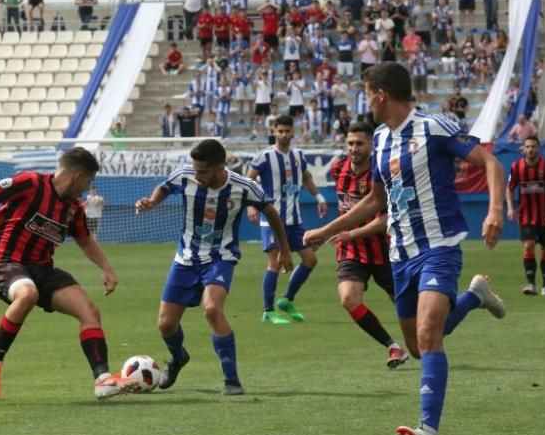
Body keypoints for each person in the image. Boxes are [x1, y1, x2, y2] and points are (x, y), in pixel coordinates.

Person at [304, 62, 507, 435]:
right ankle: (475, 297)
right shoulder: (380, 139)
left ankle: (428, 429)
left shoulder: (433, 127)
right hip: (400, 255)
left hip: (439, 246)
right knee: (418, 346)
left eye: (367, 94)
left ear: (380, 94)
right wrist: (328, 230)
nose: (367, 102)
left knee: (431, 335)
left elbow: (491, 164)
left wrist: (495, 210)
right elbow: (376, 201)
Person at [0, 147, 127, 400]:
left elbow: (85, 240)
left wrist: (106, 268)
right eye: (88, 181)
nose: (87, 187)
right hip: (6, 262)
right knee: (27, 294)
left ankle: (102, 379)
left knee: (90, 311)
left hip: (42, 269)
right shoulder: (30, 183)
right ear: (77, 176)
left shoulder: (73, 208)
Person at [135, 139, 293, 395]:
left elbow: (271, 212)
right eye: (195, 169)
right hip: (185, 259)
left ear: (220, 167)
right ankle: (178, 357)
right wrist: (152, 202)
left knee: (212, 309)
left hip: (221, 257)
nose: (197, 175)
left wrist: (284, 250)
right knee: (165, 325)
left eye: (203, 171)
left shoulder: (244, 186)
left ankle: (231, 380)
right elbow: (163, 188)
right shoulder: (185, 176)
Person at [324, 122, 408, 367]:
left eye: (359, 143)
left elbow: (387, 218)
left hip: (385, 250)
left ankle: (472, 299)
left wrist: (353, 233)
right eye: (350, 143)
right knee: (349, 299)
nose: (354, 148)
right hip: (350, 250)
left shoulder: (382, 173)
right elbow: (345, 209)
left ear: (372, 145)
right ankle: (393, 347)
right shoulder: (338, 168)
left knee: (411, 310)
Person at [245, 115, 327, 325]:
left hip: (294, 220)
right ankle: (268, 311)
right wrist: (252, 205)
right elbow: (248, 181)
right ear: (273, 131)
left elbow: (306, 177)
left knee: (310, 259)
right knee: (274, 262)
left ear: (293, 131)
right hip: (272, 219)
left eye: (287, 131)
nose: (283, 134)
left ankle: (287, 300)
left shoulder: (298, 155)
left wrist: (319, 197)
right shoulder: (264, 156)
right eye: (279, 131)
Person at [505, 135, 545, 296]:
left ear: (539, 148)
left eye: (533, 146)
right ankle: (530, 284)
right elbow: (509, 188)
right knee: (528, 245)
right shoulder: (516, 167)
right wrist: (510, 208)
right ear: (523, 149)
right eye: (527, 146)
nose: (530, 149)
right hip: (526, 216)